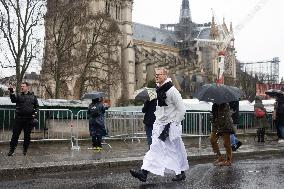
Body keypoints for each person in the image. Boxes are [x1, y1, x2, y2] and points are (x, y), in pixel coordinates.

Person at [130, 67, 189, 182]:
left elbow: (181, 110)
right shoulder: (158, 90)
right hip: (160, 124)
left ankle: (180, 172)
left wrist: (173, 124)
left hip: (170, 126)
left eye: (159, 74)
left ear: (165, 76)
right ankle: (144, 172)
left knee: (174, 150)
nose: (156, 76)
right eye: (156, 75)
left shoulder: (172, 91)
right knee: (155, 148)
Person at [7, 82, 39, 156]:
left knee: (27, 136)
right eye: (21, 86)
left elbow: (37, 106)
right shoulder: (18, 95)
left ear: (28, 87)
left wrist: (36, 113)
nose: (21, 87)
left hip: (29, 119)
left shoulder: (33, 96)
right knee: (15, 135)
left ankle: (25, 149)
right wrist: (11, 92)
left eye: (23, 86)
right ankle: (12, 150)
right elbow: (13, 100)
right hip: (19, 119)